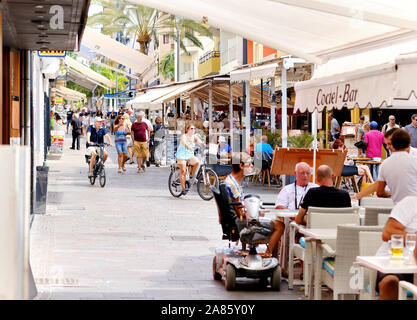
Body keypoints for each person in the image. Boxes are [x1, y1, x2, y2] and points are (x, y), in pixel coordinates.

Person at [224, 152, 281, 258]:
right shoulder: (232, 185)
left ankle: (254, 249)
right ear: (241, 165)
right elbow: (240, 212)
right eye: (249, 164)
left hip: (236, 220)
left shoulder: (231, 181)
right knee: (280, 226)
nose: (251, 166)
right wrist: (257, 212)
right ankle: (268, 254)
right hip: (241, 222)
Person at [274, 162, 319, 273]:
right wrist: (293, 215)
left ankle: (307, 267)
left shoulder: (315, 188)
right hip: (292, 221)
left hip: (311, 222)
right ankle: (286, 266)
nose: (305, 176)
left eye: (308, 173)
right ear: (295, 174)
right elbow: (279, 206)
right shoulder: (287, 189)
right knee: (293, 232)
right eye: (302, 173)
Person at [374, 196, 417, 300]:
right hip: (395, 263)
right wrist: (413, 238)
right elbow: (387, 233)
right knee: (390, 282)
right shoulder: (411, 203)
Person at [376, 129, 417, 204]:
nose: (387, 147)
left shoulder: (385, 164)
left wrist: (397, 193)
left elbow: (380, 192)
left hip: (399, 207)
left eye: (389, 144)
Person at [175, 123, 203, 195]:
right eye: (191, 128)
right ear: (187, 129)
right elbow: (183, 142)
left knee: (197, 162)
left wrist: (206, 145)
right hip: (181, 155)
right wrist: (188, 146)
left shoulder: (195, 137)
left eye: (194, 128)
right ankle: (183, 189)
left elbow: (201, 142)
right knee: (183, 171)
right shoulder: (184, 136)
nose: (193, 130)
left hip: (189, 155)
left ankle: (191, 178)